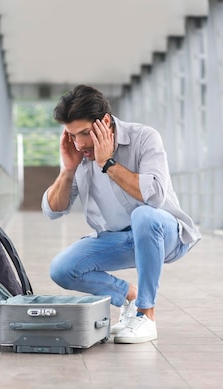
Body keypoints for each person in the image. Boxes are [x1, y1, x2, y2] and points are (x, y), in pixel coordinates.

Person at [41, 85, 201, 344]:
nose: (79, 143)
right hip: (118, 239)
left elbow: (155, 196)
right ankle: (130, 297)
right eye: (72, 135)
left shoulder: (144, 137)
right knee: (62, 269)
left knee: (144, 216)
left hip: (166, 235)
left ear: (105, 122)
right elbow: (53, 211)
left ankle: (146, 314)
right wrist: (68, 170)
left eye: (85, 133)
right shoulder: (79, 154)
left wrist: (108, 164)